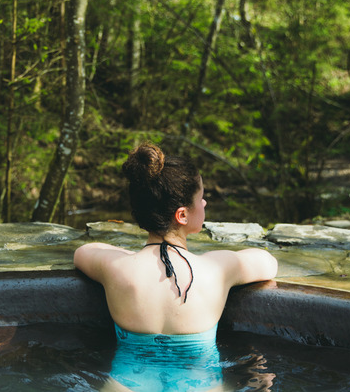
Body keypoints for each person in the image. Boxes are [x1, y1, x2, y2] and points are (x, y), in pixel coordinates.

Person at [74, 143, 278, 391]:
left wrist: (132, 255)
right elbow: (268, 263)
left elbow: (83, 252)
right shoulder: (217, 269)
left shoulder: (116, 269)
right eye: (200, 198)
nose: (204, 203)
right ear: (182, 215)